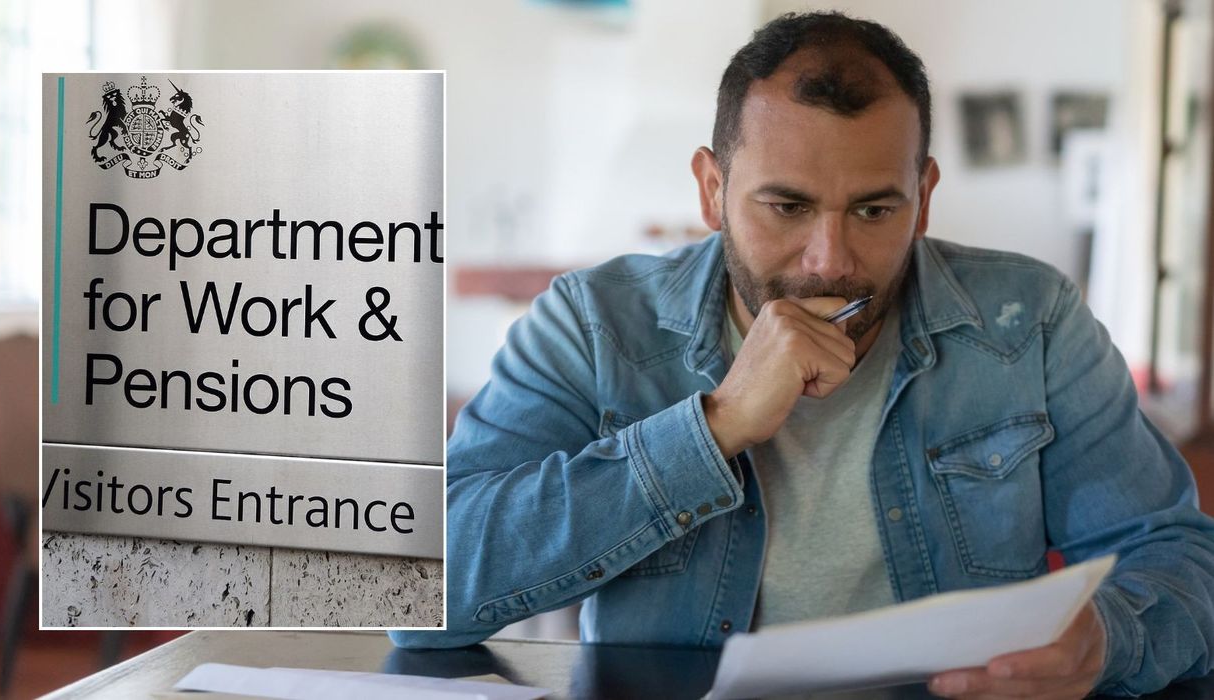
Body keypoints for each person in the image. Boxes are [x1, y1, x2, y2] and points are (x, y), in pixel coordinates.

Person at [392, 11, 1214, 698]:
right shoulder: (591, 323)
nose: (828, 259)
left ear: (923, 197)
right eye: (785, 205)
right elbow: (417, 591)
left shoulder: (1027, 319)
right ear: (710, 189)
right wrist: (710, 430)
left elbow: (1180, 557)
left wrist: (1105, 640)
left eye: (873, 209)